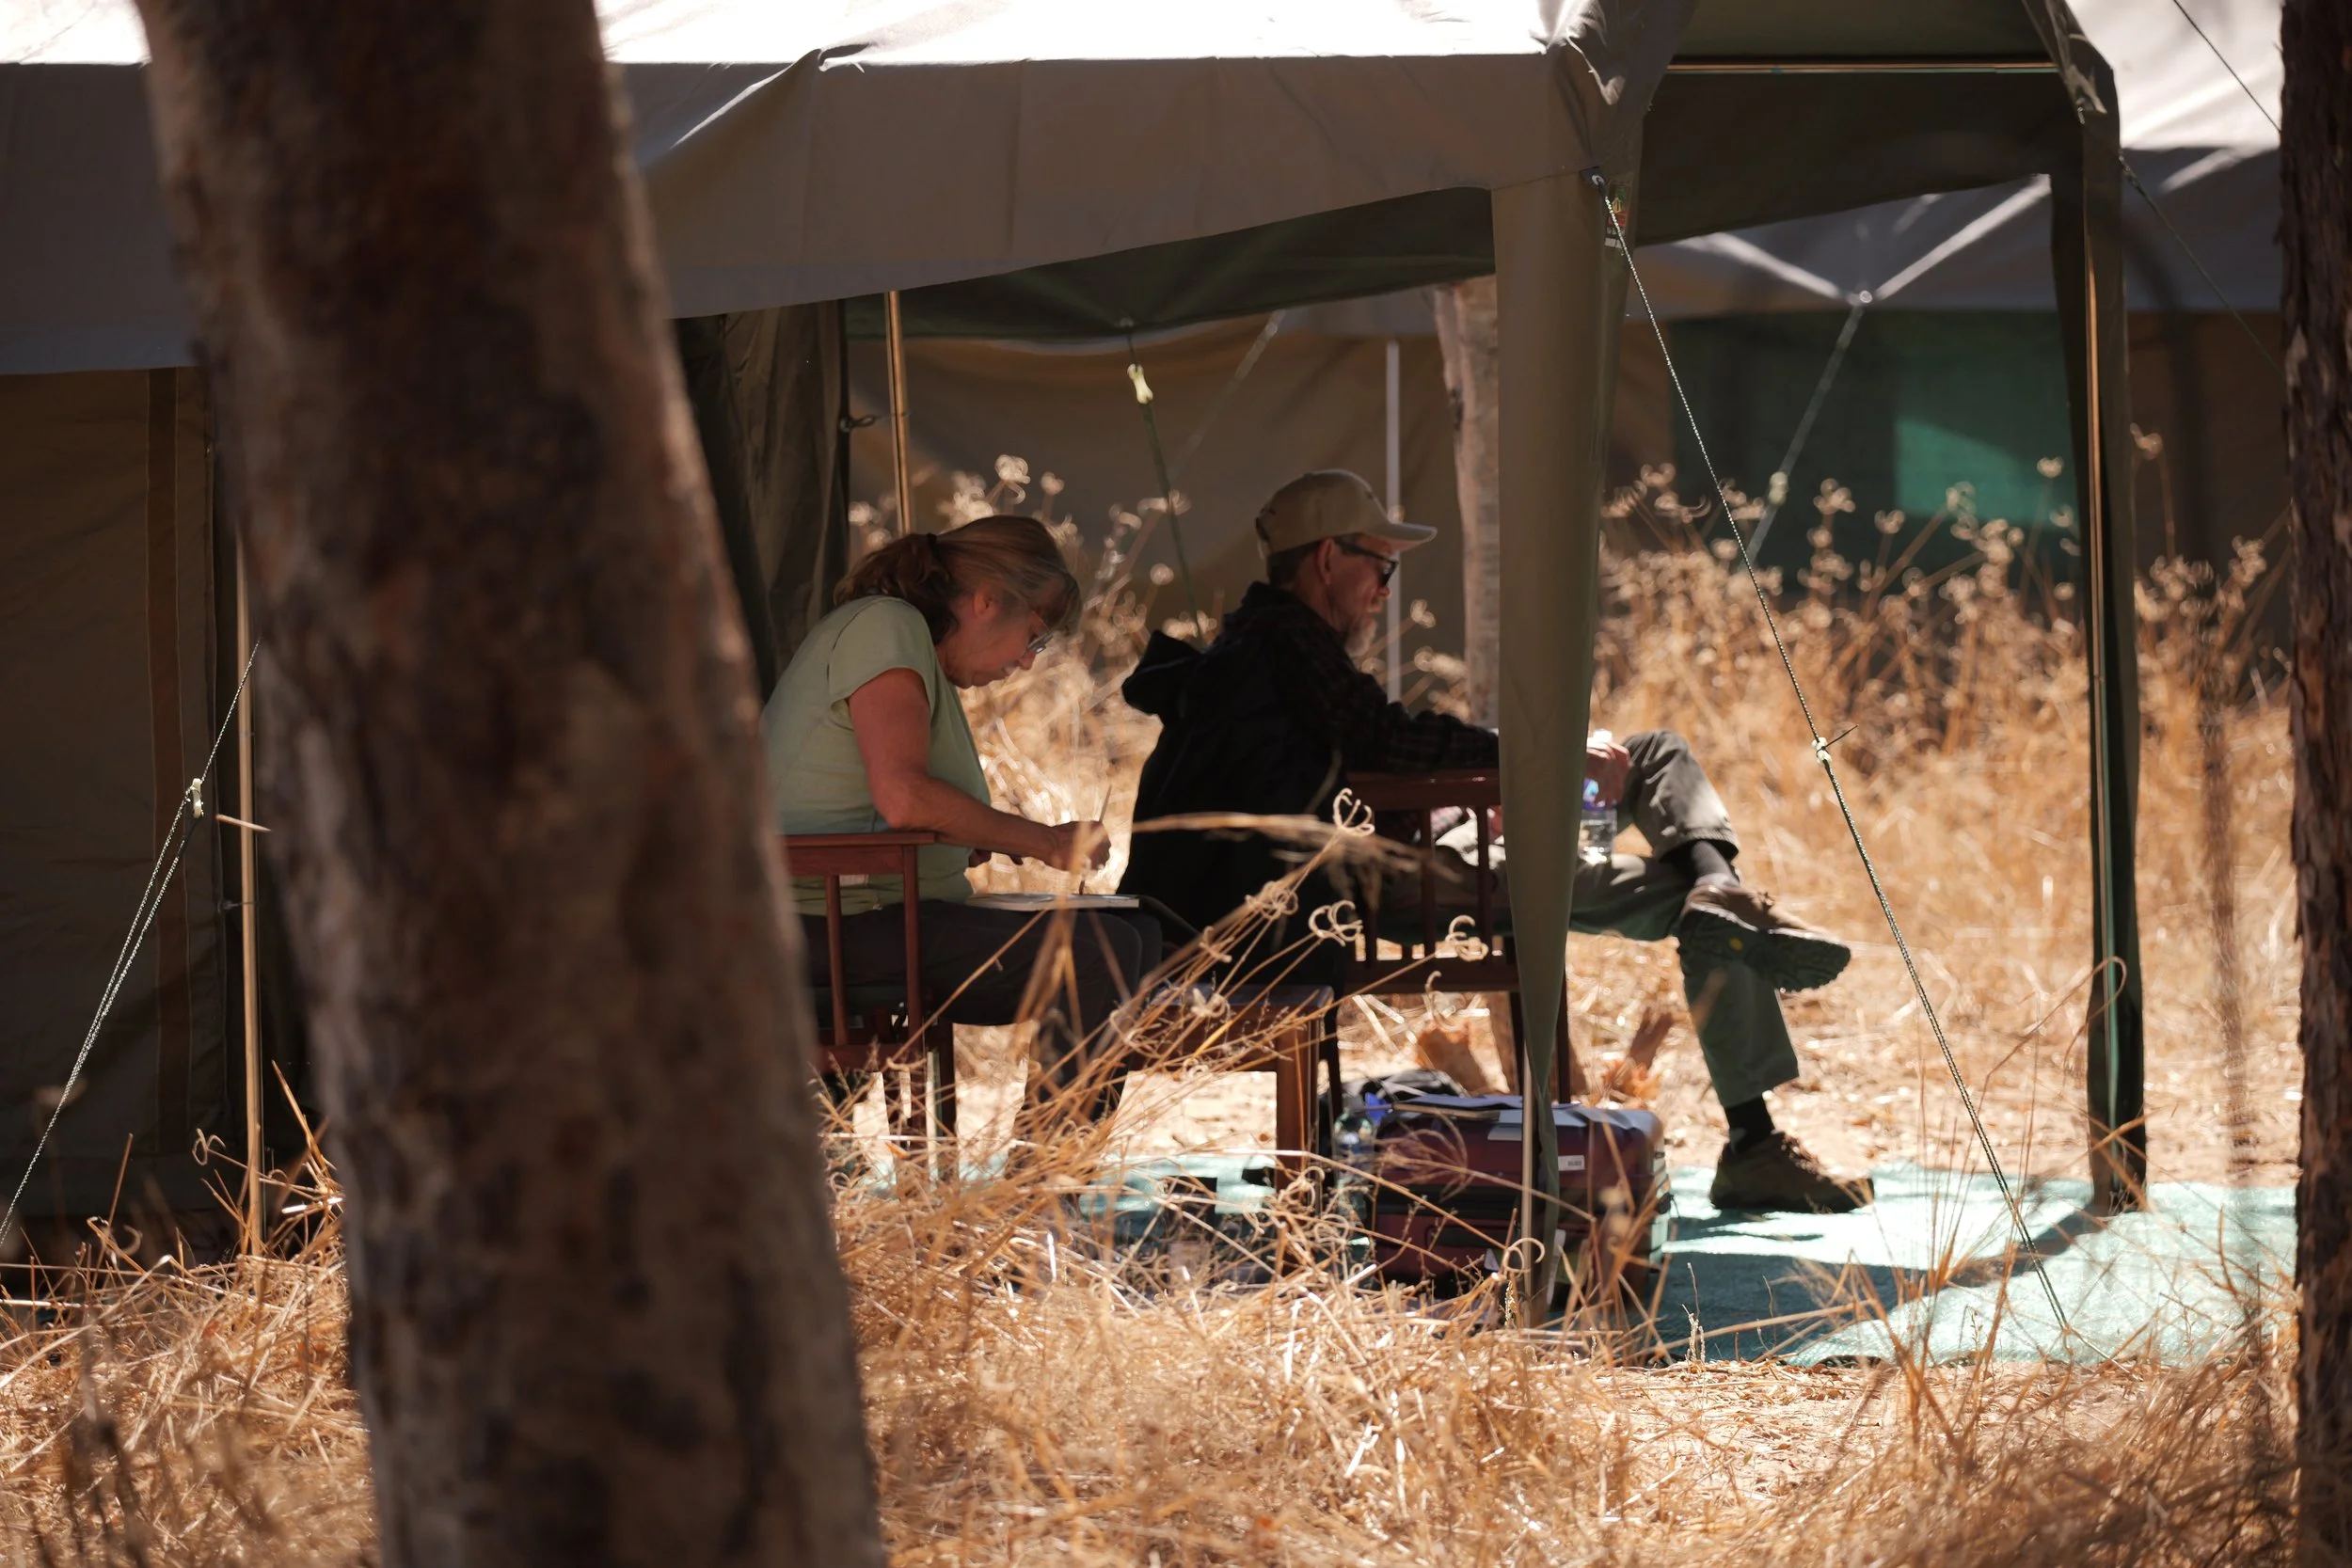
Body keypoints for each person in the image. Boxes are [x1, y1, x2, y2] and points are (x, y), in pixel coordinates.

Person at [1120, 470, 1869, 1212]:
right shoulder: (1284, 643)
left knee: (1654, 756)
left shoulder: (1264, 646)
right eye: (1382, 568)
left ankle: (1715, 888)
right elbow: (1386, 742)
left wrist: (1496, 788)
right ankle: (1750, 1120)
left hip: (1434, 842)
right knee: (1684, 886)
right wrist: (1534, 763)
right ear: (1326, 559)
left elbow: (1362, 761)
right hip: (1405, 878)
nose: (1384, 591)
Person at [764, 515, 1160, 1119]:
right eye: (1035, 637)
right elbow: (904, 797)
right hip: (823, 923)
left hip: (866, 913)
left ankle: (1057, 1159)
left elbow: (882, 804)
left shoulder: (908, 643)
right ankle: (1046, 1169)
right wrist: (1044, 841)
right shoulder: (886, 628)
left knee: (1137, 937)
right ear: (987, 600)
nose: (1027, 663)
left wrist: (957, 840)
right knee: (1095, 953)